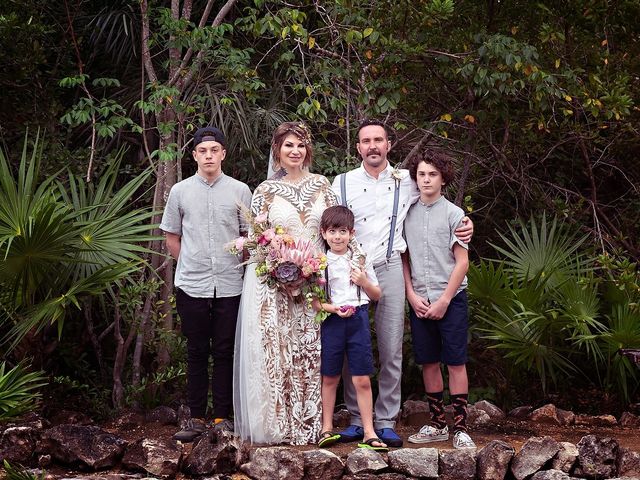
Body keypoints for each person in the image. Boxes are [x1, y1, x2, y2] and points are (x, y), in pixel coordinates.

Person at [332, 120, 473, 447]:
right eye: (366, 141)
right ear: (358, 148)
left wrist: (467, 223)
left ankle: (385, 419)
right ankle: (356, 418)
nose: (372, 146)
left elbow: (438, 203)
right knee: (354, 346)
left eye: (378, 140)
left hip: (391, 265)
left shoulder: (407, 180)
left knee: (392, 347)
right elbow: (325, 222)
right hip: (352, 268)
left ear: (389, 144)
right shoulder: (340, 183)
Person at [233, 121, 358, 445]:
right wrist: (278, 271)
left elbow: (335, 233)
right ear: (277, 150)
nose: (295, 151)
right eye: (288, 145)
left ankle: (316, 425)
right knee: (280, 351)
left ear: (308, 150)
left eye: (300, 145)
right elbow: (257, 241)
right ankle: (278, 426)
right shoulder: (265, 191)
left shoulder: (323, 186)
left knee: (314, 351)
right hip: (277, 288)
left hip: (316, 284)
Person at [160, 126, 252, 442]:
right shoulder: (180, 191)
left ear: (223, 153)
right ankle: (196, 418)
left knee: (225, 350)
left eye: (214, 150)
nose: (209, 155)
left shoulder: (240, 190)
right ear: (195, 155)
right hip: (192, 284)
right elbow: (172, 236)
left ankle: (221, 417)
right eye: (203, 150)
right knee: (197, 350)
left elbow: (249, 237)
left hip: (230, 283)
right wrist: (189, 261)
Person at [402, 148, 476, 450]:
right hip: (419, 299)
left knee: (455, 362)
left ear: (443, 178)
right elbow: (403, 259)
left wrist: (445, 299)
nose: (426, 179)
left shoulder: (455, 215)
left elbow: (462, 262)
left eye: (432, 174)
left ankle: (460, 427)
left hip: (451, 298)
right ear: (415, 177)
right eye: (421, 174)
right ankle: (436, 424)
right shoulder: (407, 212)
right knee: (429, 362)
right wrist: (410, 293)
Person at [313, 206, 387, 452]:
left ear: (351, 233)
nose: (337, 237)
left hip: (358, 320)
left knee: (362, 378)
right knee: (330, 376)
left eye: (342, 231)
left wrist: (364, 281)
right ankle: (326, 428)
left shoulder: (360, 260)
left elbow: (377, 294)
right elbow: (314, 302)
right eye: (332, 231)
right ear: (324, 233)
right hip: (332, 321)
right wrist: (333, 309)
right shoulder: (319, 263)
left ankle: (369, 431)